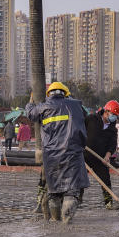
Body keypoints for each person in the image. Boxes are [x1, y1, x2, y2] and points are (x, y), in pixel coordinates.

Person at [25, 82, 90, 223]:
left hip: (52, 155)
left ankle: (55, 219)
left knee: (54, 191)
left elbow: (30, 114)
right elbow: (85, 116)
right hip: (72, 153)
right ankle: (67, 217)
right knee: (71, 190)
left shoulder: (43, 107)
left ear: (49, 94)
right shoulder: (76, 104)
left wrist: (30, 102)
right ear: (65, 93)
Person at [84, 100, 119, 210]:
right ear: (106, 111)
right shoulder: (91, 119)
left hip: (100, 158)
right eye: (113, 114)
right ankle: (76, 200)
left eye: (115, 116)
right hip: (84, 155)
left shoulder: (112, 129)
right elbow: (80, 130)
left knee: (105, 179)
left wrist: (107, 156)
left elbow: (112, 145)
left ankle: (109, 203)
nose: (114, 117)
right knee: (79, 179)